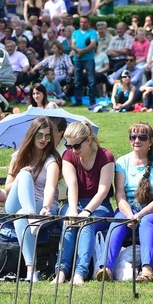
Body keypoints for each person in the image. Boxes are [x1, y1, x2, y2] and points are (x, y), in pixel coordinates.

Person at [0, 117, 61, 282]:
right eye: (40, 135)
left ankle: (31, 273)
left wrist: (46, 207)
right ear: (32, 135)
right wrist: (21, 175)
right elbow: (9, 186)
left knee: (21, 218)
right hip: (19, 205)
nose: (43, 140)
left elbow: (51, 188)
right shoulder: (19, 156)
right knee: (25, 174)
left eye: (48, 136)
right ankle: (30, 214)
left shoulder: (52, 160)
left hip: (43, 206)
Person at [95, 123, 153, 282]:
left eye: (142, 137)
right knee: (118, 222)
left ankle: (147, 270)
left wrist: (140, 214)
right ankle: (105, 268)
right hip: (129, 208)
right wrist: (129, 215)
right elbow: (119, 194)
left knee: (146, 222)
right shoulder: (122, 162)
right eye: (133, 137)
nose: (137, 140)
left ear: (150, 141)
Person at [55, 122, 115, 285]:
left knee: (86, 223)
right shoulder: (68, 156)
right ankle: (61, 271)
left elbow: (103, 190)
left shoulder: (106, 156)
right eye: (68, 145)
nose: (73, 150)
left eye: (76, 146)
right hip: (74, 201)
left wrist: (87, 212)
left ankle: (80, 273)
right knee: (70, 221)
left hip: (100, 205)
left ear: (89, 140)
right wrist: (73, 210)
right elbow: (72, 185)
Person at [69, 16, 98, 105]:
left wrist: (83, 51)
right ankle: (78, 101)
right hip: (77, 59)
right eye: (81, 22)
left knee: (91, 81)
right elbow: (72, 45)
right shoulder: (76, 33)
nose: (82, 23)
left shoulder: (92, 33)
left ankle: (92, 101)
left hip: (88, 59)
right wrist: (78, 51)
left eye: (85, 22)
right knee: (77, 81)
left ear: (89, 23)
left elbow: (93, 44)